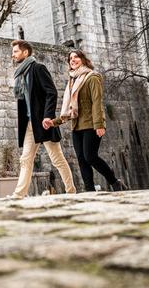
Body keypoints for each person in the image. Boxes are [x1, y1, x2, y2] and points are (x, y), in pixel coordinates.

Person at [49, 50, 127, 192]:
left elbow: (96, 102)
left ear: (83, 59)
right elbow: (69, 109)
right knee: (81, 160)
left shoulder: (92, 77)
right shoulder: (72, 81)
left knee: (90, 157)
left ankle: (114, 182)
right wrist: (54, 122)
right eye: (70, 58)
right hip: (76, 126)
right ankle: (89, 190)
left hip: (91, 124)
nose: (72, 60)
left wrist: (99, 124)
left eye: (76, 57)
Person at [9, 39, 76, 198]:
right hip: (30, 124)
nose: (13, 55)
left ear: (25, 53)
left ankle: (71, 192)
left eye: (16, 51)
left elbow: (51, 92)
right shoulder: (20, 74)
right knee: (25, 159)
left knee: (57, 159)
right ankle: (19, 194)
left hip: (44, 122)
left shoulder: (38, 68)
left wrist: (48, 116)